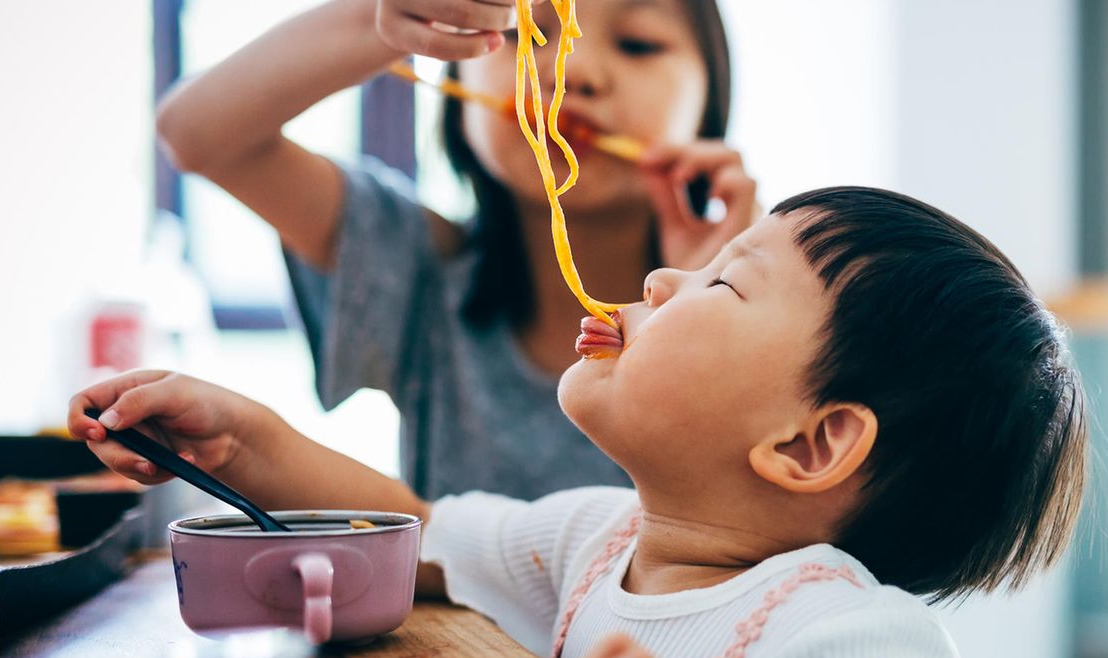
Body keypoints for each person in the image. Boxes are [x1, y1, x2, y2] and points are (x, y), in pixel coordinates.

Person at [71, 187, 1089, 658]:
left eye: (724, 286)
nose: (656, 279)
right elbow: (416, 536)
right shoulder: (596, 539)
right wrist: (250, 439)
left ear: (809, 443)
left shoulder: (849, 648)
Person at [156, 0, 752, 499]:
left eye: (639, 44)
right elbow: (195, 133)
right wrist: (390, 19)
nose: (574, 72)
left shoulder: (776, 300)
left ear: (711, 98)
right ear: (457, 73)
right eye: (525, 34)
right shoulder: (420, 264)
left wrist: (710, 300)